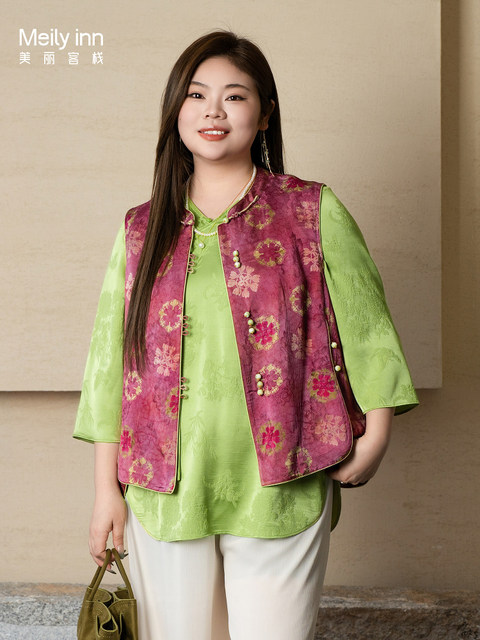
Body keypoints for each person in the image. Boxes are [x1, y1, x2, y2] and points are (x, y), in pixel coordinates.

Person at [74, 30, 418, 640]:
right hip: (164, 489)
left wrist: (379, 429)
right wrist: (107, 492)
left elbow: (368, 326)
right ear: (175, 110)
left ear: (264, 115)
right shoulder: (140, 229)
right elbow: (111, 364)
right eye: (197, 95)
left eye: (234, 96)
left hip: (282, 481)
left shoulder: (311, 210)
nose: (213, 111)